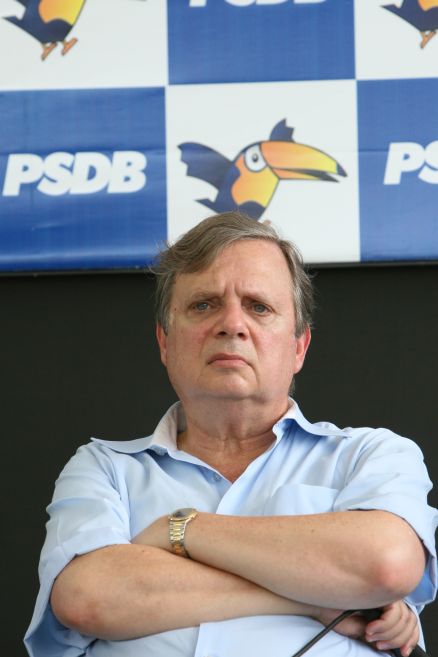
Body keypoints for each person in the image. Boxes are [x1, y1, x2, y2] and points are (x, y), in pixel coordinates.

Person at [25, 212, 437, 657]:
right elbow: (87, 599)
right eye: (204, 305)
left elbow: (387, 564)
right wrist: (317, 598)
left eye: (258, 306)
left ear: (299, 347)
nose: (232, 324)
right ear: (165, 343)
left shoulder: (372, 455)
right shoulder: (103, 468)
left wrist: (180, 529)